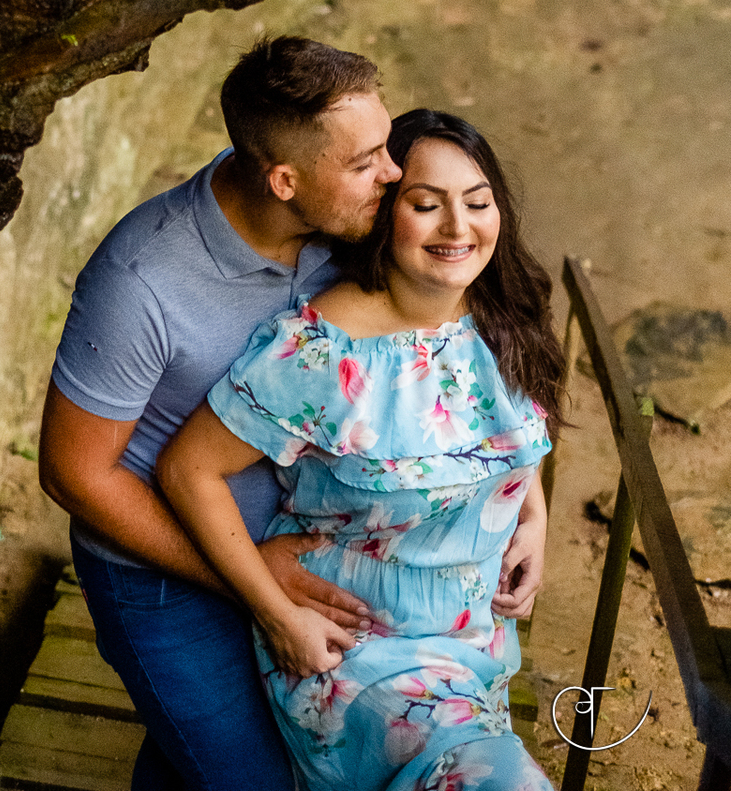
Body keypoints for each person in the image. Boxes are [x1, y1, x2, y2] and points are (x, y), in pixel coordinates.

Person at [39, 43, 546, 789]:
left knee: (205, 756)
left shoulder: (340, 226)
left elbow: (472, 386)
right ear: (284, 180)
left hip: (306, 549)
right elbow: (74, 474)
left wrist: (524, 506)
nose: (394, 173)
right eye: (369, 159)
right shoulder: (140, 281)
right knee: (248, 774)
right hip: (162, 571)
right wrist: (257, 584)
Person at [159, 107, 562, 791]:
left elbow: (512, 437)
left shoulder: (500, 316)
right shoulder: (320, 350)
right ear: (384, 212)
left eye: (478, 202)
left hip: (476, 646)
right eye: (427, 205)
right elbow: (188, 470)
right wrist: (277, 613)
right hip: (357, 652)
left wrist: (533, 518)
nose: (458, 228)